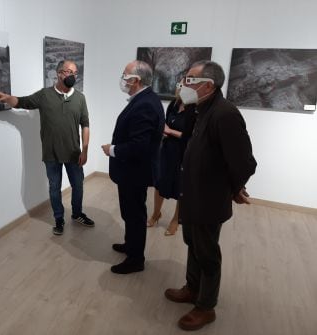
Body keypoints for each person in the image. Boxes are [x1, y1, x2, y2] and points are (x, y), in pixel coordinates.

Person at [164, 60, 257, 331]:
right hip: (192, 193)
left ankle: (206, 306)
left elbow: (244, 163)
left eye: (190, 79)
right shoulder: (201, 109)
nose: (184, 83)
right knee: (193, 244)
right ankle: (192, 289)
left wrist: (233, 188)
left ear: (208, 85)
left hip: (208, 198)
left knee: (207, 253)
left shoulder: (225, 114)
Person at [0, 60, 94, 236]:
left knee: (78, 186)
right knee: (54, 188)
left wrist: (85, 150)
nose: (73, 76)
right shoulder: (44, 95)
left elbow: (85, 124)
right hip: (51, 154)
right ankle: (59, 219)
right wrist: (8, 98)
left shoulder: (80, 98)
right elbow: (23, 102)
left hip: (73, 153)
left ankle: (77, 214)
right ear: (59, 73)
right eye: (69, 72)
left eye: (75, 73)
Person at [101, 60, 164, 274]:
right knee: (131, 212)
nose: (122, 78)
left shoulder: (145, 103)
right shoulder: (145, 98)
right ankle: (131, 245)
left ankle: (136, 259)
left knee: (135, 214)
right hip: (133, 170)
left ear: (135, 80)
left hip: (135, 171)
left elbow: (139, 146)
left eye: (125, 75)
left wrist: (112, 150)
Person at [147, 81, 197, 236]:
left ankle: (176, 219)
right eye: (180, 85)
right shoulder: (173, 105)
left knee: (181, 188)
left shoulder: (194, 110)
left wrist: (170, 131)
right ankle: (156, 213)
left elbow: (194, 137)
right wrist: (163, 132)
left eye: (185, 86)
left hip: (184, 153)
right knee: (159, 183)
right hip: (167, 150)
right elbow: (165, 124)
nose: (181, 89)